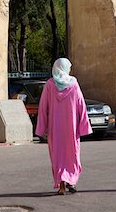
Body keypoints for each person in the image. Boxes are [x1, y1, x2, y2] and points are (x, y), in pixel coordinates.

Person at [35, 58, 92, 195]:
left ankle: (61, 185)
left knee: (58, 155)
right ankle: (71, 182)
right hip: (71, 127)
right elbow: (81, 105)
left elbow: (43, 107)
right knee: (72, 154)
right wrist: (84, 125)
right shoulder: (74, 83)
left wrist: (42, 127)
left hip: (55, 127)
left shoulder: (50, 84)